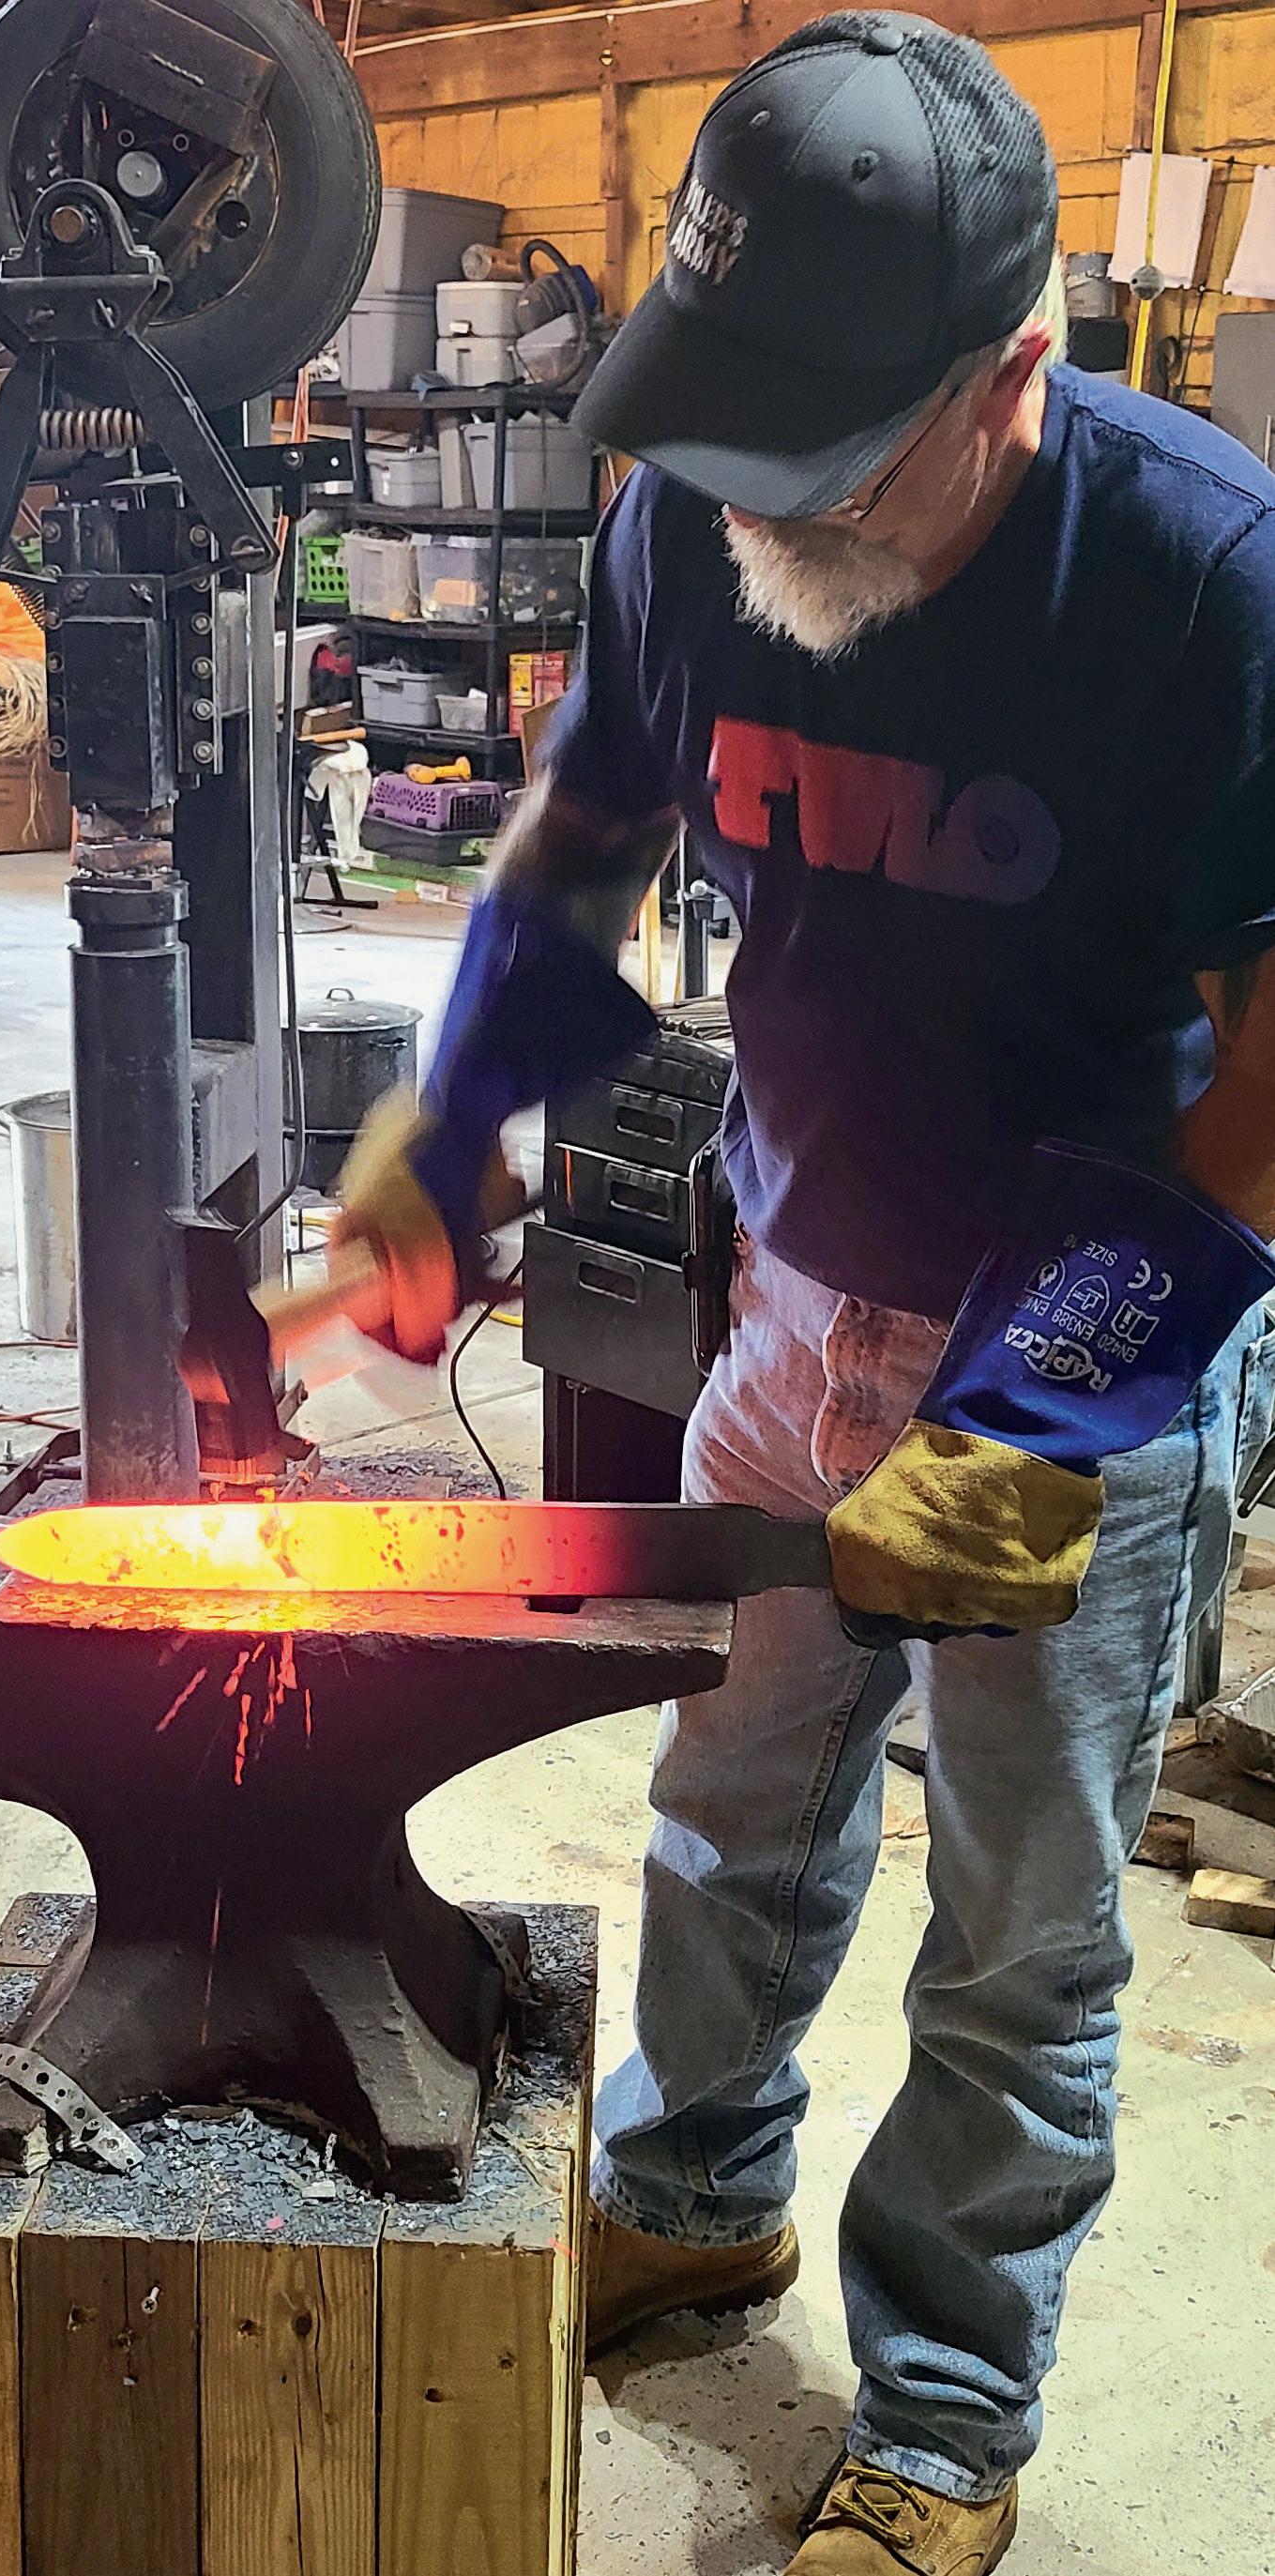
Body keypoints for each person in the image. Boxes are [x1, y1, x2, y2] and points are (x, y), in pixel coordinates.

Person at [329, 14, 1275, 2568]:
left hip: (1087, 1345)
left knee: (1021, 1928)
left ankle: (949, 2402)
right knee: (730, 1809)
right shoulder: (692, 520)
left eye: (822, 456)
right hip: (797, 1289)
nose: (755, 504)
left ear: (1012, 376)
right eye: (724, 432)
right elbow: (585, 840)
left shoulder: (1208, 579)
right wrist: (450, 1116)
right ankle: (700, 2190)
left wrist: (1055, 1404)